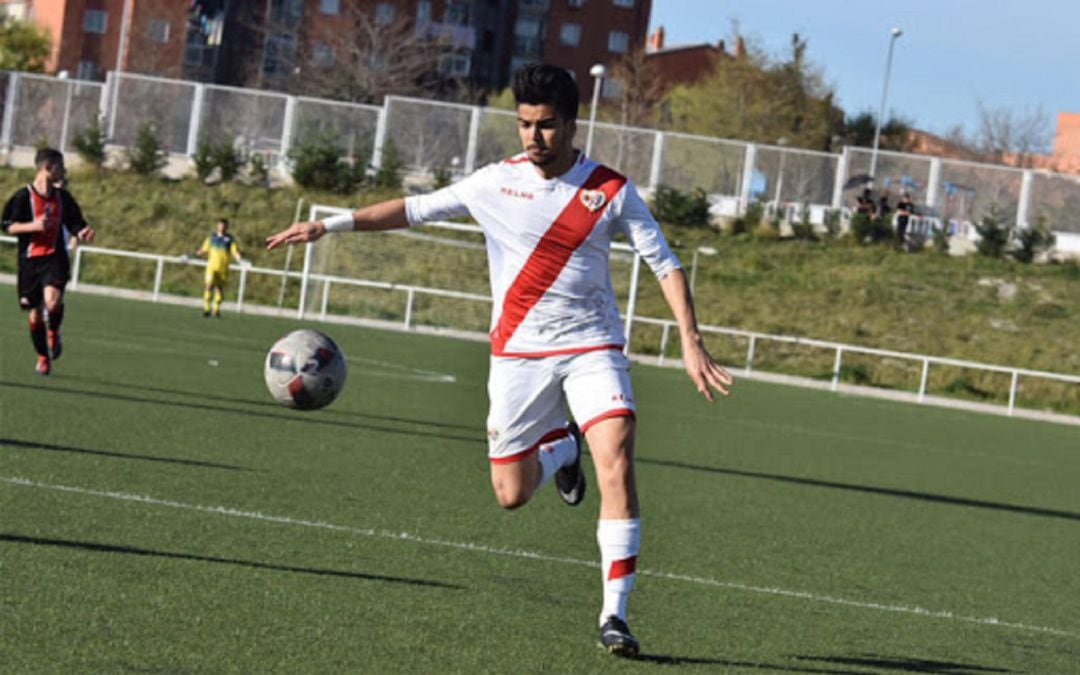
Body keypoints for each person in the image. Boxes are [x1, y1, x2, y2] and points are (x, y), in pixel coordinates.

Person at [266, 64, 733, 657]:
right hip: (518, 355)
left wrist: (690, 340)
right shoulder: (493, 183)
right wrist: (327, 225)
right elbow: (413, 209)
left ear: (571, 123)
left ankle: (614, 615)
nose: (533, 137)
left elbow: (664, 263)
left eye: (545, 125)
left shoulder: (611, 190)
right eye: (524, 124)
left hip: (592, 346)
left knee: (616, 458)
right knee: (510, 493)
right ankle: (562, 447)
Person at [1, 147, 95, 375]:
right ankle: (43, 356)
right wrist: (33, 226)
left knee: (52, 302)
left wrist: (82, 231)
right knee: (34, 314)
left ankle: (54, 331)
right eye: (60, 167)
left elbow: (75, 221)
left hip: (55, 258)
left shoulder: (63, 197)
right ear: (47, 168)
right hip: (30, 262)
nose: (63, 171)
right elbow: (7, 225)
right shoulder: (23, 197)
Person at [194, 218, 244, 317]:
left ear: (227, 227)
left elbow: (234, 252)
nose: (222, 227)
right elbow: (204, 249)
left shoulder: (230, 239)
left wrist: (239, 258)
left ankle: (216, 309)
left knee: (219, 288)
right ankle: (206, 308)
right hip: (211, 267)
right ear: (217, 226)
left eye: (224, 225)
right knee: (209, 285)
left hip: (223, 268)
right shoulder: (211, 238)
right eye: (220, 225)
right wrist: (194, 254)